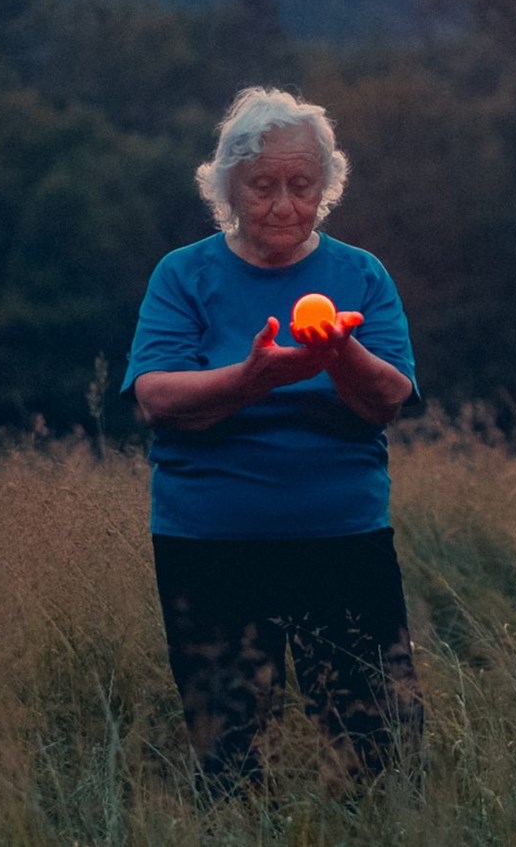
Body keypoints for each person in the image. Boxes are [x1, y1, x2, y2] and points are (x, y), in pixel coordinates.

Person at [123, 86, 426, 795]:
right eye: (263, 186)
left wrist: (337, 352)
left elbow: (388, 397)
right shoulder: (183, 275)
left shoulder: (361, 275)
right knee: (228, 754)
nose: (285, 204)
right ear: (227, 188)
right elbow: (156, 396)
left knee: (376, 747)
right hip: (211, 548)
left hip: (343, 541)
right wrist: (251, 378)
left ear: (326, 187)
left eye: (302, 185)